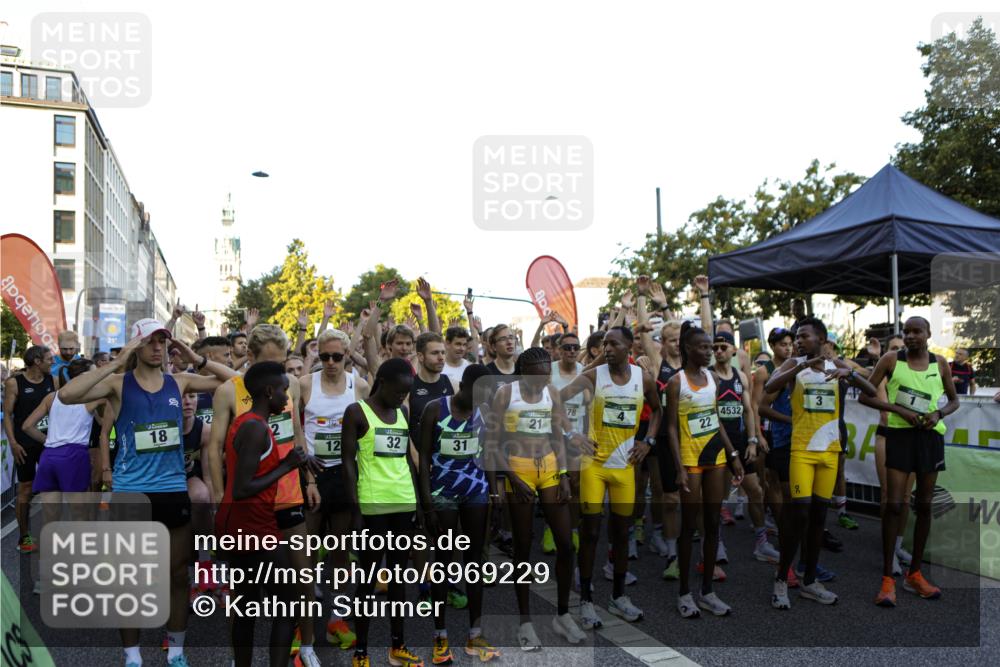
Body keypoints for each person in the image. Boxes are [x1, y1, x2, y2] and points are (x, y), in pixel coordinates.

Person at [59, 319, 236, 667]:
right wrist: (116, 359)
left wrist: (193, 356)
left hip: (172, 490)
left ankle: (177, 651)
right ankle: (132, 656)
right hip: (132, 493)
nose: (159, 348)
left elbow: (235, 381)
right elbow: (67, 395)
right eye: (151, 341)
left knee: (177, 574)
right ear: (137, 346)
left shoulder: (179, 381)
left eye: (163, 342)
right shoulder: (117, 384)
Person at [206, 324, 321, 666]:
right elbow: (214, 448)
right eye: (269, 362)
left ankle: (309, 646)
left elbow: (297, 433)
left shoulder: (290, 387)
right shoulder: (229, 391)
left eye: (282, 360)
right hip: (250, 504)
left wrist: (309, 480)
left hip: (287, 496)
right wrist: (217, 493)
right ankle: (239, 657)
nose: (277, 369)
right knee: (247, 595)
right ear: (250, 357)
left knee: (303, 578)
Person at [763, 317, 876, 610]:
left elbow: (872, 391)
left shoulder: (834, 367)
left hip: (829, 454)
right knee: (798, 516)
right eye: (796, 337)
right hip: (802, 452)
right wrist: (797, 366)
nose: (798, 341)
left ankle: (810, 581)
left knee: (818, 519)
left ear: (822, 340)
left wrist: (846, 372)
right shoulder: (792, 365)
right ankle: (780, 579)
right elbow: (769, 390)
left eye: (804, 336)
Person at [486, 347, 584, 649]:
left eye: (545, 378)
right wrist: (509, 479)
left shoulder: (551, 393)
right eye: (537, 378)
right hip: (520, 469)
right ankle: (525, 622)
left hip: (550, 467)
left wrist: (566, 473)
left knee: (566, 543)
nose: (542, 383)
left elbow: (557, 433)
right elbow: (492, 442)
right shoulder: (505, 394)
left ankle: (563, 615)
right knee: (523, 547)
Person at [560, 327, 659, 628]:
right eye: (604, 344)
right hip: (594, 464)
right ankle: (586, 600)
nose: (608, 348)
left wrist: (648, 441)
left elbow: (658, 411)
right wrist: (572, 434)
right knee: (590, 533)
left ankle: (618, 597)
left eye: (614, 343)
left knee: (622, 534)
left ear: (629, 345)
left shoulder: (642, 379)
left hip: (625, 466)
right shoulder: (593, 376)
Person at [860, 316, 959, 606]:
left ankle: (914, 574)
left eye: (918, 331)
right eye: (908, 331)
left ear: (928, 334)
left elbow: (954, 401)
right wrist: (897, 410)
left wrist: (938, 414)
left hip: (929, 438)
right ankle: (888, 579)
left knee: (924, 505)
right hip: (899, 436)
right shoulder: (891, 359)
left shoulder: (940, 363)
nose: (912, 336)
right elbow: (866, 396)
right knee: (894, 504)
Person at [341, 358, 425, 667]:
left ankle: (397, 646)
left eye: (407, 394)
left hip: (402, 502)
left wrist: (417, 503)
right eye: (399, 392)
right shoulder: (356, 412)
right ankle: (361, 651)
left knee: (400, 580)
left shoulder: (402, 412)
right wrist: (355, 512)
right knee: (367, 580)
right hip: (372, 505)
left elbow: (406, 461)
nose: (403, 398)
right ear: (383, 383)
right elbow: (347, 464)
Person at [418, 364, 502, 664]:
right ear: (463, 385)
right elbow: (424, 458)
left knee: (475, 560)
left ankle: (475, 634)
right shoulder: (434, 409)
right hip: (443, 493)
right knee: (443, 560)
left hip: (476, 489)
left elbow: (488, 454)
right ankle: (440, 637)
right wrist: (426, 503)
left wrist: (494, 493)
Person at [666, 322, 744, 618]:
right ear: (688, 349)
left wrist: (733, 454)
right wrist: (679, 467)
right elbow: (671, 428)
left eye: (711, 347)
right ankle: (684, 593)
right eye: (703, 347)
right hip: (690, 459)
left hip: (716, 458)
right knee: (689, 526)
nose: (710, 352)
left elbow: (716, 419)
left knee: (713, 524)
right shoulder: (677, 382)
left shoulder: (712, 378)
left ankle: (708, 591)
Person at [299, 328, 366, 650]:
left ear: (347, 356)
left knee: (339, 552)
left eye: (337, 356)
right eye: (324, 356)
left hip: (343, 476)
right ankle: (304, 625)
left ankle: (336, 620)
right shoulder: (304, 384)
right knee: (306, 554)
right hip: (311, 475)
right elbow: (295, 427)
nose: (329, 362)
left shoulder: (359, 386)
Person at [712, 331, 779, 563]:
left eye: (724, 347)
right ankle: (715, 542)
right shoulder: (710, 377)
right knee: (717, 498)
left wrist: (752, 440)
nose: (719, 351)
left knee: (756, 491)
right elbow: (713, 414)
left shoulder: (741, 376)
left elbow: (749, 409)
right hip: (717, 443)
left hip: (740, 440)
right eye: (716, 347)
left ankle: (761, 542)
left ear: (733, 351)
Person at [23, 358, 101, 524]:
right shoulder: (92, 397)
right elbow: (105, 422)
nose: (97, 377)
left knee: (50, 517)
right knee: (79, 515)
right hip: (74, 455)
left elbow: (27, 426)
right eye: (94, 374)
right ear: (84, 377)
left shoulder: (52, 397)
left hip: (49, 455)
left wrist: (49, 441)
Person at [754, 327, 800, 586]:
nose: (788, 348)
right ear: (773, 346)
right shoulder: (765, 372)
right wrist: (757, 435)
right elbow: (757, 405)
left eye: (790, 343)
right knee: (772, 484)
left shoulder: (799, 368)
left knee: (794, 497)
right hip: (773, 436)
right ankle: (776, 527)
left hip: (799, 441)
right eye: (783, 344)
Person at [3, 345, 55, 553]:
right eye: (49, 359)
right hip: (24, 444)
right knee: (26, 489)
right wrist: (13, 443)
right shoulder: (14, 383)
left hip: (48, 442)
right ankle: (24, 537)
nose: (53, 362)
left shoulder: (54, 381)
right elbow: (8, 415)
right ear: (37, 361)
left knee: (52, 489)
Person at [543, 332, 586, 555]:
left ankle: (574, 529)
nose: (571, 351)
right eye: (567, 347)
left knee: (576, 483)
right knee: (555, 483)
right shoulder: (549, 371)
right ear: (558, 349)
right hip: (551, 434)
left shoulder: (584, 371)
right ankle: (551, 528)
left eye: (575, 348)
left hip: (575, 435)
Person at [179, 391, 214, 593]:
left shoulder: (204, 429)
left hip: (189, 476)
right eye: (182, 397)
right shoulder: (165, 425)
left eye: (191, 397)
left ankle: (205, 562)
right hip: (162, 481)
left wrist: (214, 506)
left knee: (201, 498)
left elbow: (208, 474)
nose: (187, 402)